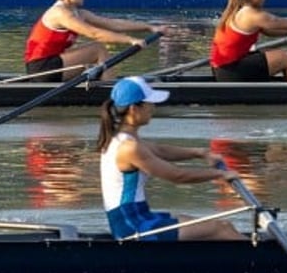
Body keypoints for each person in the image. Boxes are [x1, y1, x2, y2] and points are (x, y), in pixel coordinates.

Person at [98, 76, 245, 241]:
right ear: (134, 109)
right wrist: (220, 175)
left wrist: (200, 152)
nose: (153, 108)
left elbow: (161, 150)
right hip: (132, 226)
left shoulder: (122, 138)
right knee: (222, 228)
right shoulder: (128, 148)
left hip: (139, 216)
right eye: (149, 104)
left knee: (210, 226)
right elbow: (177, 176)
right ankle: (261, 262)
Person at [24, 0, 164, 82]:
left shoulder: (79, 13)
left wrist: (150, 27)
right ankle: (109, 92)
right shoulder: (60, 13)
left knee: (93, 58)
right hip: (41, 68)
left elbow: (113, 24)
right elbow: (94, 33)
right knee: (97, 49)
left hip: (53, 65)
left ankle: (104, 81)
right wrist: (130, 40)